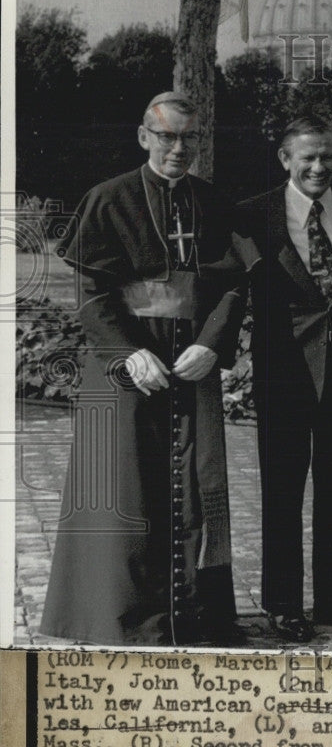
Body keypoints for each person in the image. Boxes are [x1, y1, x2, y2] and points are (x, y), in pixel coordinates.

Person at [41, 92, 245, 646]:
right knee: (125, 488)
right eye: (167, 136)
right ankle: (121, 618)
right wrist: (127, 351)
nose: (178, 148)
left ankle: (194, 616)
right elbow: (90, 294)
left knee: (195, 485)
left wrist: (212, 344)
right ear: (144, 137)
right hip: (125, 364)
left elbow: (232, 285)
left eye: (188, 138)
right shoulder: (108, 199)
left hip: (189, 362)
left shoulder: (213, 202)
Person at [229, 117, 332, 642]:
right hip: (284, 377)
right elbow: (229, 290)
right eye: (307, 158)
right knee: (281, 496)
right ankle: (282, 606)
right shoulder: (253, 216)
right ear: (285, 159)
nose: (318, 167)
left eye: (328, 158)